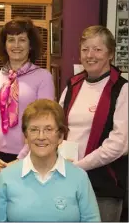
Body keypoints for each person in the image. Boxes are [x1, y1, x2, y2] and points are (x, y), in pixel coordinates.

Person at [0, 99, 101, 222]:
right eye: (34, 130)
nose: (41, 137)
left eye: (48, 129)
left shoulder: (79, 177)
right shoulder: (6, 177)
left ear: (60, 136)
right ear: (25, 137)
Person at [59, 25, 128, 222]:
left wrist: (80, 166)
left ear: (110, 54)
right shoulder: (73, 85)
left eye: (97, 49)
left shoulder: (122, 89)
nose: (90, 55)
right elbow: (56, 126)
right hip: (68, 180)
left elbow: (119, 145)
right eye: (85, 49)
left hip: (104, 185)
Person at [0, 17, 54, 190]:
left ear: (31, 45)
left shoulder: (43, 77)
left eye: (22, 40)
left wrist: (22, 158)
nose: (16, 45)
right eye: (11, 40)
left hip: (31, 157)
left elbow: (45, 122)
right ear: (4, 45)